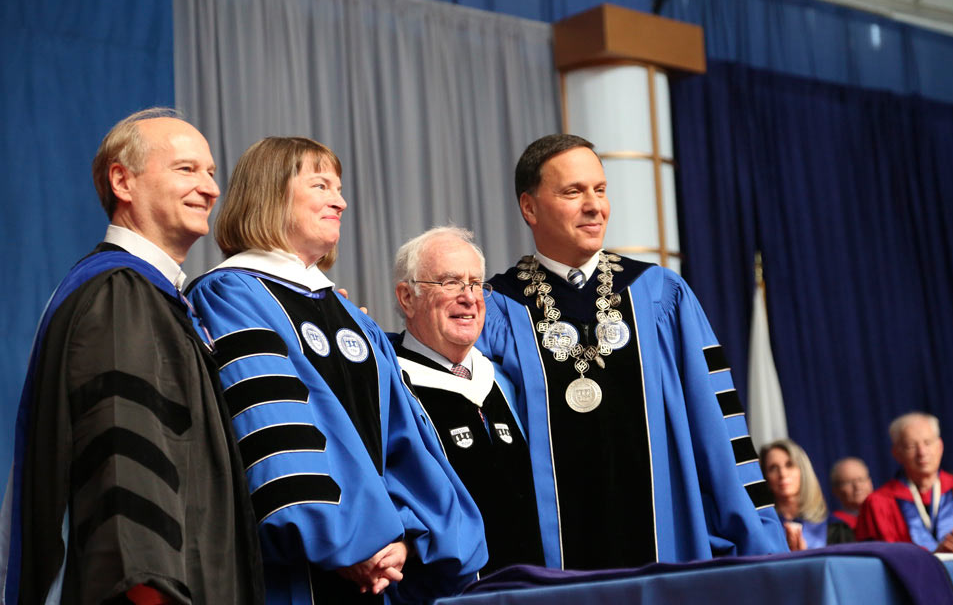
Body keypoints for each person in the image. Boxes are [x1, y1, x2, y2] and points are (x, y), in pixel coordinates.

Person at [186, 137, 486, 604]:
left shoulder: (353, 318)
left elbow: (402, 437)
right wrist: (345, 540)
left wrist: (404, 535)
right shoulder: (231, 295)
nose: (340, 201)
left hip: (378, 568)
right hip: (294, 573)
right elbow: (273, 431)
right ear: (270, 193)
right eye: (321, 184)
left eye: (340, 188)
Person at [475, 133, 786, 570]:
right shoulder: (496, 310)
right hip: (549, 563)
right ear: (529, 207)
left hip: (666, 549)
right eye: (573, 191)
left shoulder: (660, 294)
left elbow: (717, 426)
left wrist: (758, 541)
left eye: (600, 190)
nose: (594, 205)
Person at [0, 108, 264, 604]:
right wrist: (148, 596)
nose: (210, 188)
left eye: (210, 172)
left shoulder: (160, 302)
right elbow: (125, 478)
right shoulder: (120, 295)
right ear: (123, 181)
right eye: (186, 169)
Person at [392, 226, 545, 576]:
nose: (469, 297)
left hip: (534, 587)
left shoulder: (506, 381)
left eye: (475, 284)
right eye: (449, 283)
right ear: (407, 297)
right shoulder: (389, 385)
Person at [857, 412, 953, 552]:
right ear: (896, 453)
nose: (922, 453)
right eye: (911, 446)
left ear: (940, 446)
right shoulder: (878, 504)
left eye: (928, 443)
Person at [760, 439, 854, 550]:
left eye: (789, 465)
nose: (783, 474)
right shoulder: (762, 529)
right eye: (773, 468)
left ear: (803, 471)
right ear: (765, 477)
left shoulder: (836, 529)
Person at [829, 457, 873, 529]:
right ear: (835, 490)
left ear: (870, 482)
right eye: (848, 482)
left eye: (861, 480)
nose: (857, 486)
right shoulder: (835, 524)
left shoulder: (887, 515)